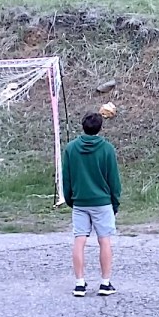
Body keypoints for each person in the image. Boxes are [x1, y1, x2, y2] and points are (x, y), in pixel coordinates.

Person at [62, 111, 122, 297]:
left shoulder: (71, 149)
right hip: (102, 202)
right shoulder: (107, 149)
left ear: (82, 126)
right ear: (100, 127)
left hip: (80, 201)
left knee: (79, 240)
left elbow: (67, 178)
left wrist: (70, 199)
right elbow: (113, 179)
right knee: (104, 240)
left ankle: (79, 283)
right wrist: (115, 202)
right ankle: (105, 283)